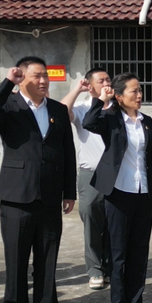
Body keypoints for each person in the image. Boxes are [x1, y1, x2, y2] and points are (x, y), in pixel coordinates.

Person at [0, 56, 76, 303]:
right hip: (17, 196)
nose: (43, 81)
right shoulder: (9, 106)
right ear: (22, 78)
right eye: (36, 76)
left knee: (47, 258)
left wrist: (69, 191)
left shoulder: (57, 109)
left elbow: (67, 151)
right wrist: (8, 82)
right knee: (17, 260)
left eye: (45, 75)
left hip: (49, 196)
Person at [82, 73, 152, 303]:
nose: (140, 95)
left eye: (140, 90)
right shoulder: (110, 118)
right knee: (118, 252)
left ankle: (136, 302)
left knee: (139, 250)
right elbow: (88, 122)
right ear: (119, 96)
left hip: (143, 192)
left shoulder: (146, 121)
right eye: (134, 91)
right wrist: (100, 99)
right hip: (118, 192)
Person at [60, 68, 112, 290]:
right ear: (90, 86)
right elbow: (61, 112)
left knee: (113, 221)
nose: (107, 83)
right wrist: (77, 89)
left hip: (116, 174)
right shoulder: (82, 109)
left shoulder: (118, 108)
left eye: (109, 79)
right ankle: (95, 269)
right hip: (90, 173)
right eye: (101, 80)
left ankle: (110, 267)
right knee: (90, 218)